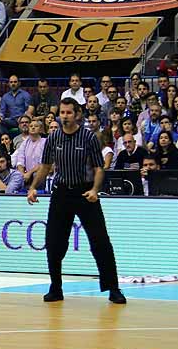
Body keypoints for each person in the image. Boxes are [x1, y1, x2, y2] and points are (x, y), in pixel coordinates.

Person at [28, 100, 126, 304]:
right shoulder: (53, 137)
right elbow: (45, 166)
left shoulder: (89, 137)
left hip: (85, 193)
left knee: (100, 242)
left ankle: (113, 288)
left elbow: (100, 167)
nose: (64, 116)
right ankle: (56, 287)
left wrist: (95, 190)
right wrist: (33, 187)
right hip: (61, 193)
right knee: (54, 243)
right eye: (62, 112)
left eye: (69, 112)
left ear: (77, 114)